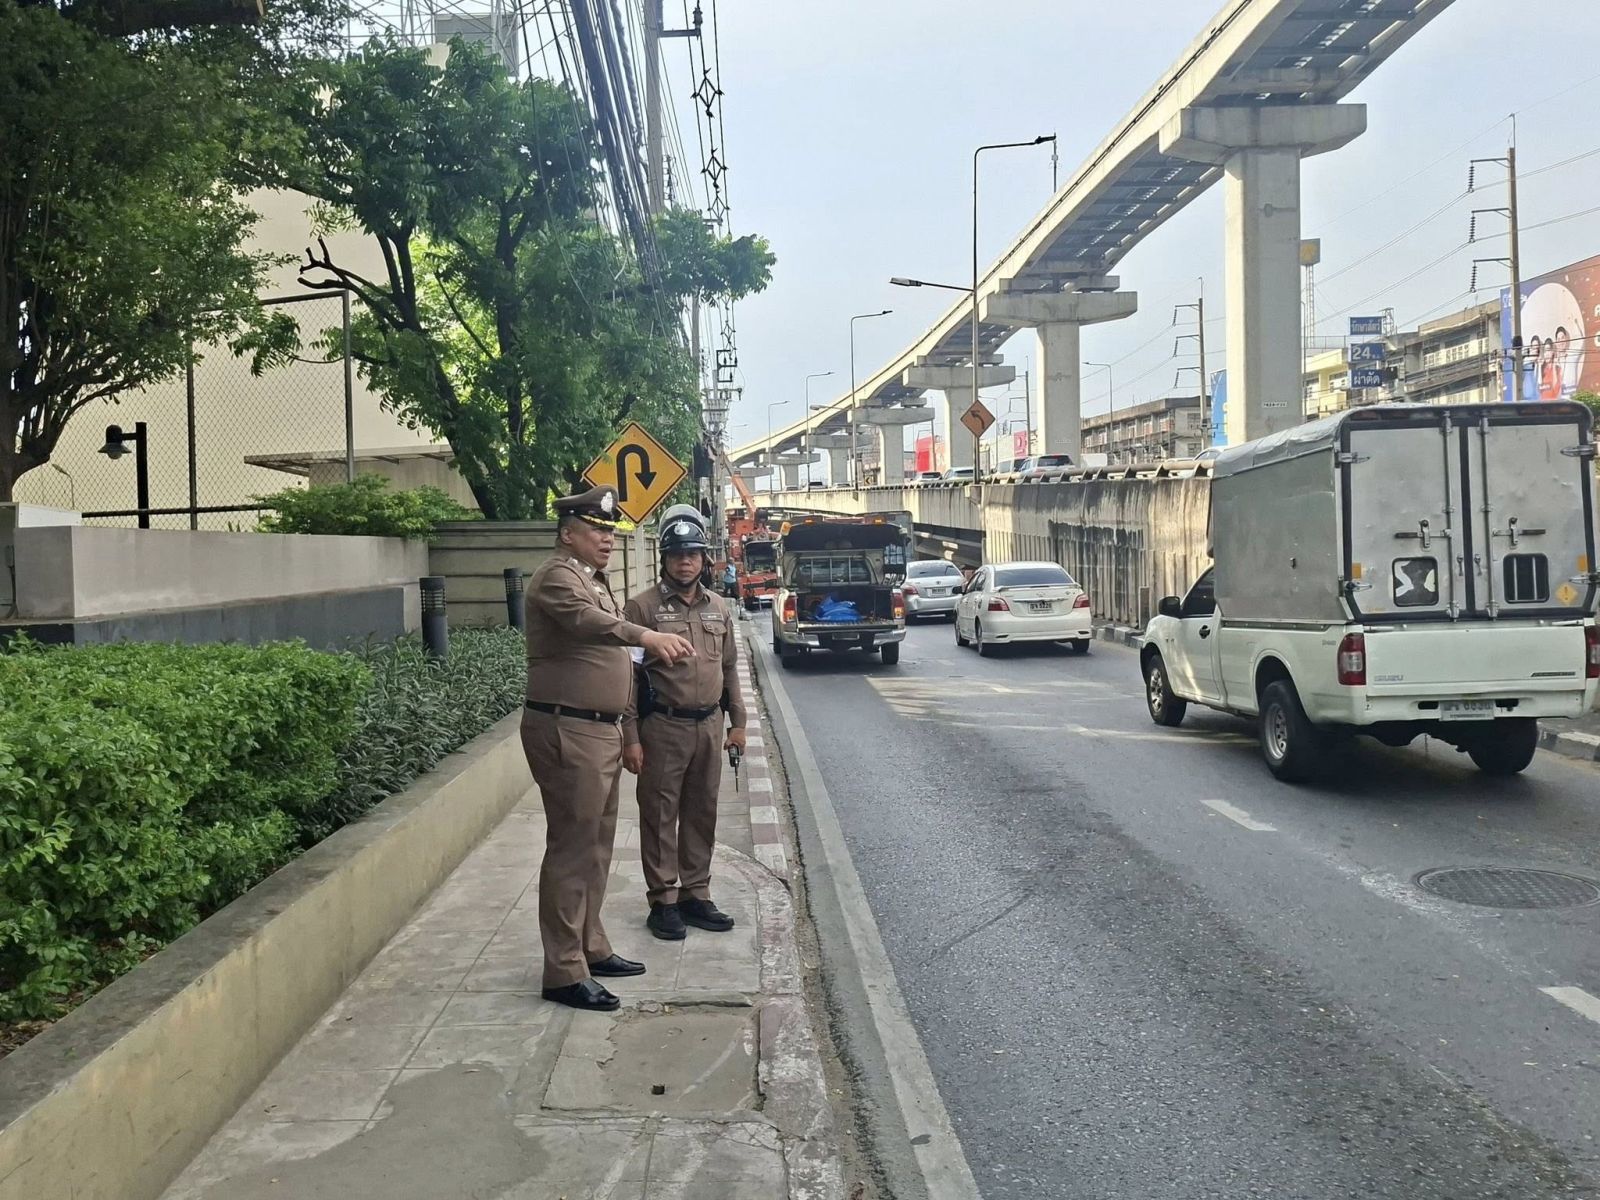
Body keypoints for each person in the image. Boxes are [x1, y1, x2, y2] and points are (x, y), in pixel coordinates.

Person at [523, 484, 695, 1012]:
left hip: (599, 731)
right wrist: (645, 635)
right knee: (572, 849)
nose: (607, 540)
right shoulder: (557, 577)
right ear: (567, 534)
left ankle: (590, 945)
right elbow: (588, 623)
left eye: (610, 532)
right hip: (568, 729)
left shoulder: (592, 579)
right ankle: (563, 971)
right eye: (596, 530)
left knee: (596, 848)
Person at [623, 511, 747, 941]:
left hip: (710, 725)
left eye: (692, 554)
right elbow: (628, 678)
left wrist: (737, 724)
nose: (685, 562)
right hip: (663, 727)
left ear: (704, 559)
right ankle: (663, 901)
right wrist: (631, 737)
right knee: (660, 814)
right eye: (676, 554)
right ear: (664, 559)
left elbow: (728, 669)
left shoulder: (718, 607)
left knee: (702, 812)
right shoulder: (642, 608)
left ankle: (696, 894)